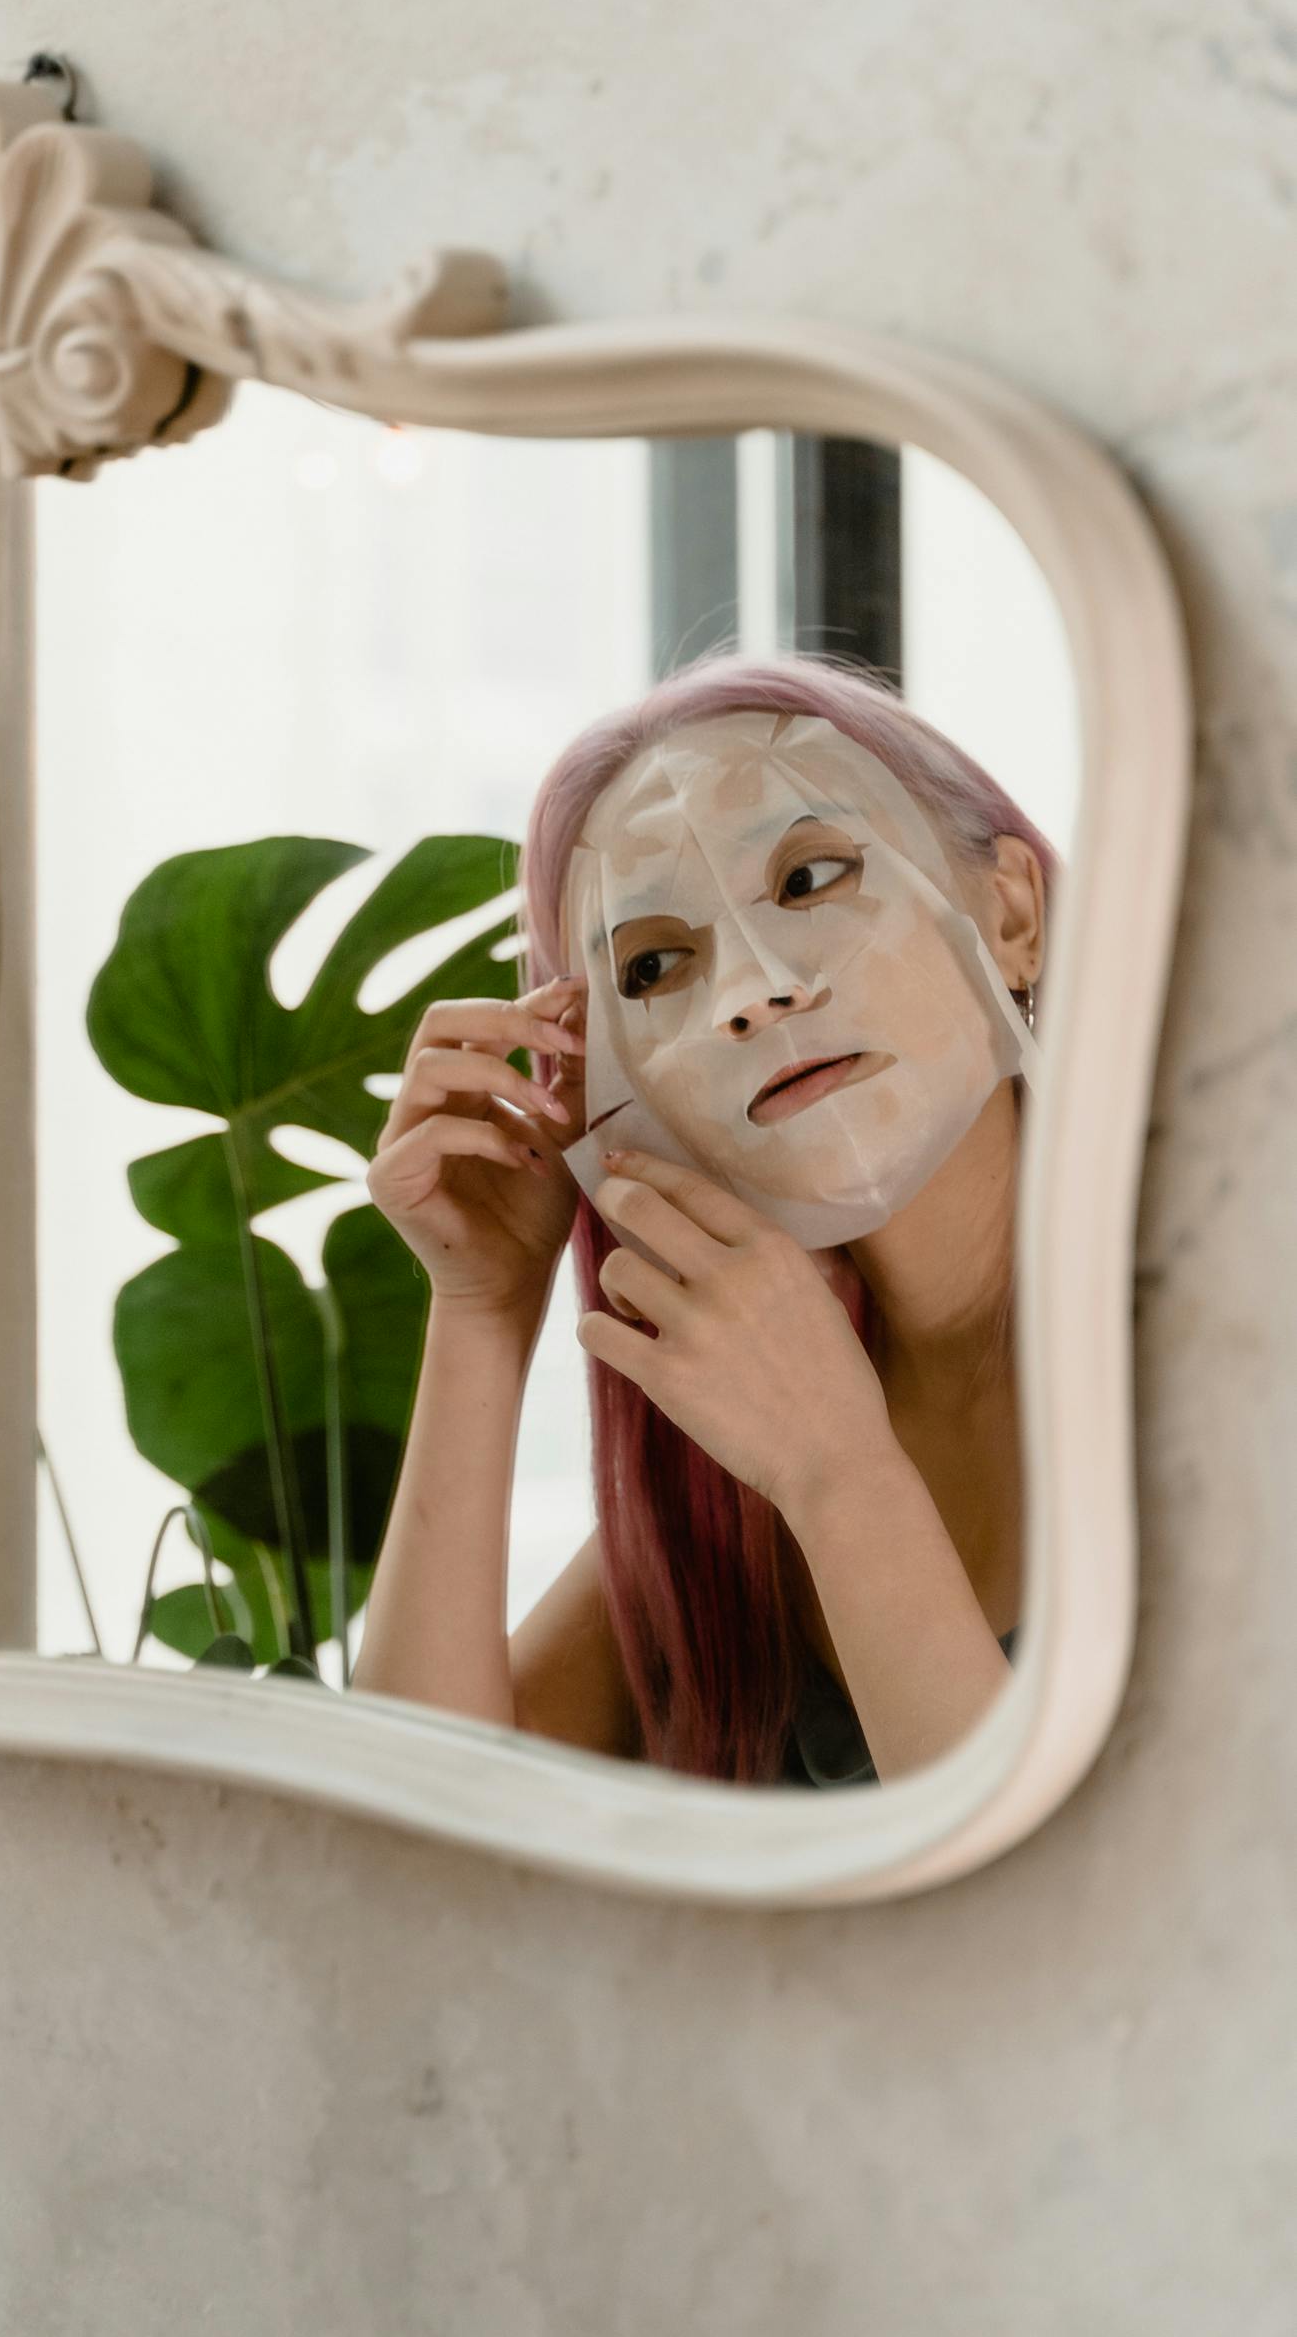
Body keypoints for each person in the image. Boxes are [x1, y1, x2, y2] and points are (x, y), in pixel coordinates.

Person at [350, 653, 1056, 1786]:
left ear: (1011, 912)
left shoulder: (1226, 1340)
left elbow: (1072, 1926)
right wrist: (481, 1312)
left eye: (813, 878)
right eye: (658, 964)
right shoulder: (757, 1432)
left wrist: (840, 1473)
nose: (751, 993)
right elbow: (408, 1842)